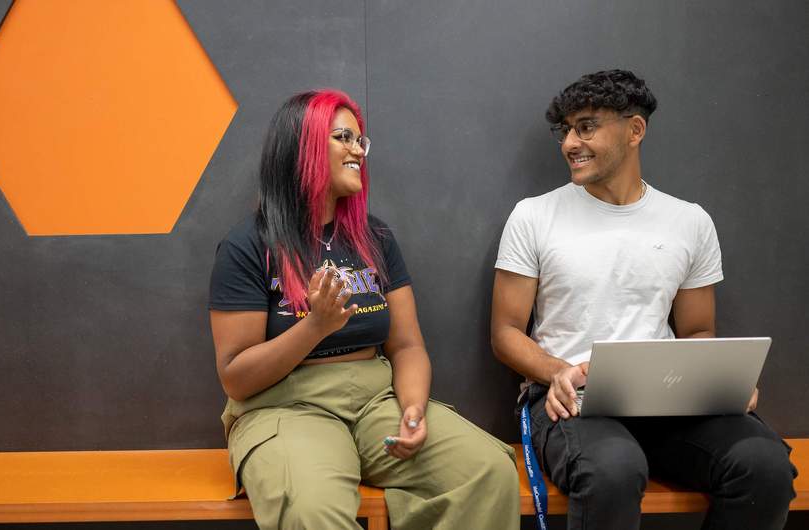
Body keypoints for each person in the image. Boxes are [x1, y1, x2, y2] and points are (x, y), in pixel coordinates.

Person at [491, 70, 796, 529]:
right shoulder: (534, 216)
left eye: (587, 126)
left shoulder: (689, 222)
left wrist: (722, 383)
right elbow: (505, 332)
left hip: (668, 401)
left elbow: (697, 331)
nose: (570, 142)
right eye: (566, 129)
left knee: (765, 466)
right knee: (613, 469)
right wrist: (558, 372)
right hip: (570, 402)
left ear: (635, 130)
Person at [210, 89, 519, 530]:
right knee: (312, 510)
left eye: (361, 140)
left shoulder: (375, 238)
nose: (359, 150)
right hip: (284, 406)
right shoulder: (247, 246)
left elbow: (408, 345)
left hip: (377, 400)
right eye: (343, 137)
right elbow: (236, 377)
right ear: (304, 147)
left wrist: (412, 408)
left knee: (487, 471)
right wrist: (313, 327)